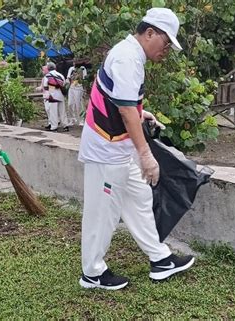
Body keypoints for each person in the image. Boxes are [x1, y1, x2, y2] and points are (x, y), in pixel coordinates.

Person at [78, 8, 195, 290]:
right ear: (150, 32)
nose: (166, 49)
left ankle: (160, 260)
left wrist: (142, 113)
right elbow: (126, 109)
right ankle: (92, 273)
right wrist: (146, 155)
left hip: (119, 149)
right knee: (102, 212)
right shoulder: (128, 57)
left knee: (140, 198)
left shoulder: (130, 55)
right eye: (166, 42)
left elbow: (122, 102)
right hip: (106, 151)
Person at [43, 62, 70, 132]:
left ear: (48, 68)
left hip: (52, 95)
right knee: (62, 111)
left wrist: (49, 93)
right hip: (60, 95)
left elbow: (46, 86)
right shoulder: (60, 75)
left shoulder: (47, 76)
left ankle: (54, 127)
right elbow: (63, 84)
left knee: (53, 112)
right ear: (55, 68)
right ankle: (65, 125)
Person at [66, 59, 87, 126]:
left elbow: (84, 79)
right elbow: (69, 77)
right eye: (74, 62)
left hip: (78, 88)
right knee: (70, 104)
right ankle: (72, 119)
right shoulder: (71, 69)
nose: (74, 63)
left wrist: (84, 90)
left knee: (78, 105)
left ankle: (81, 120)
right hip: (72, 88)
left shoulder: (83, 69)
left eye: (76, 62)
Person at [36, 65, 52, 130]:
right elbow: (42, 87)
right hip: (45, 95)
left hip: (50, 95)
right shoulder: (43, 78)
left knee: (50, 109)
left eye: (43, 70)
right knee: (47, 110)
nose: (42, 71)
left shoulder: (50, 77)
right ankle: (50, 123)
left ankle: (52, 123)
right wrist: (38, 88)